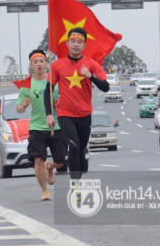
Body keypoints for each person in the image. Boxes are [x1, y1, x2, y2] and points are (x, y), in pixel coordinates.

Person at [45, 27, 110, 179]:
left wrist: (90, 76)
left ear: (84, 46)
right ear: (67, 43)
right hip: (65, 114)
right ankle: (75, 186)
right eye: (73, 41)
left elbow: (106, 87)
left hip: (85, 114)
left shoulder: (91, 64)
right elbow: (46, 91)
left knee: (80, 151)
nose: (76, 44)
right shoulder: (57, 65)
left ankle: (77, 179)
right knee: (73, 146)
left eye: (79, 42)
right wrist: (49, 114)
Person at [17, 49, 66, 201]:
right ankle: (45, 190)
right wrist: (23, 106)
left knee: (60, 162)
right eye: (35, 62)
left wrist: (60, 102)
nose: (39, 64)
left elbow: (63, 100)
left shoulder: (54, 83)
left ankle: (50, 167)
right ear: (30, 65)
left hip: (56, 126)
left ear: (46, 64)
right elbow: (18, 109)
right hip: (36, 128)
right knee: (38, 159)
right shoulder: (26, 86)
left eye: (41, 61)